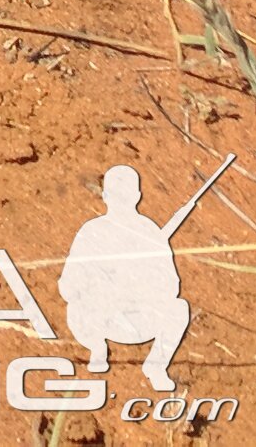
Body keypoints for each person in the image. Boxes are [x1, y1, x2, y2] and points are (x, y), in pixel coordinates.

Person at [61, 164, 196, 391]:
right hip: (101, 316)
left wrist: (139, 285)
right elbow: (68, 284)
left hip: (140, 319)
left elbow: (171, 285)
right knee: (75, 306)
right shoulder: (92, 231)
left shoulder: (150, 231)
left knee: (179, 308)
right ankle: (97, 348)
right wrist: (99, 285)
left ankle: (156, 366)